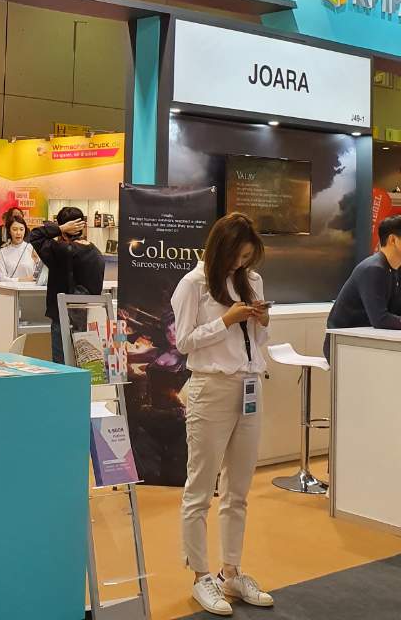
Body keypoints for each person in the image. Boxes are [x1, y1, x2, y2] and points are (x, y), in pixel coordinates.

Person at [171, 212, 273, 617]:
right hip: (211, 387)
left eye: (247, 257)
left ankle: (231, 571)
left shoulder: (253, 280)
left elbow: (260, 339)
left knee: (238, 490)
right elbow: (183, 342)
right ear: (220, 249)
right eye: (236, 255)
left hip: (250, 385)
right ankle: (201, 576)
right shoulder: (193, 283)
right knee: (200, 488)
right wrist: (225, 321)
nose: (241, 264)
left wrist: (262, 320)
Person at [27, 206, 104, 364]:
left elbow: (34, 236)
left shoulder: (60, 250)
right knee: (85, 364)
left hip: (62, 317)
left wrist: (59, 228)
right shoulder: (96, 253)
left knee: (61, 365)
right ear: (82, 226)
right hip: (87, 318)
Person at [324, 214, 401, 360]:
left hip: (372, 343)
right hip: (344, 346)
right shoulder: (374, 269)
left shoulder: (395, 269)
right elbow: (380, 319)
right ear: (393, 240)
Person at [0, 215, 40, 281]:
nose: (18, 233)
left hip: (30, 287)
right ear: (9, 231)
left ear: (25, 230)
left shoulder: (32, 248)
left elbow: (40, 275)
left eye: (21, 229)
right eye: (14, 229)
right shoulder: (3, 252)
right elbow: (1, 279)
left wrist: (37, 261)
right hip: (10, 287)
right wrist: (21, 280)